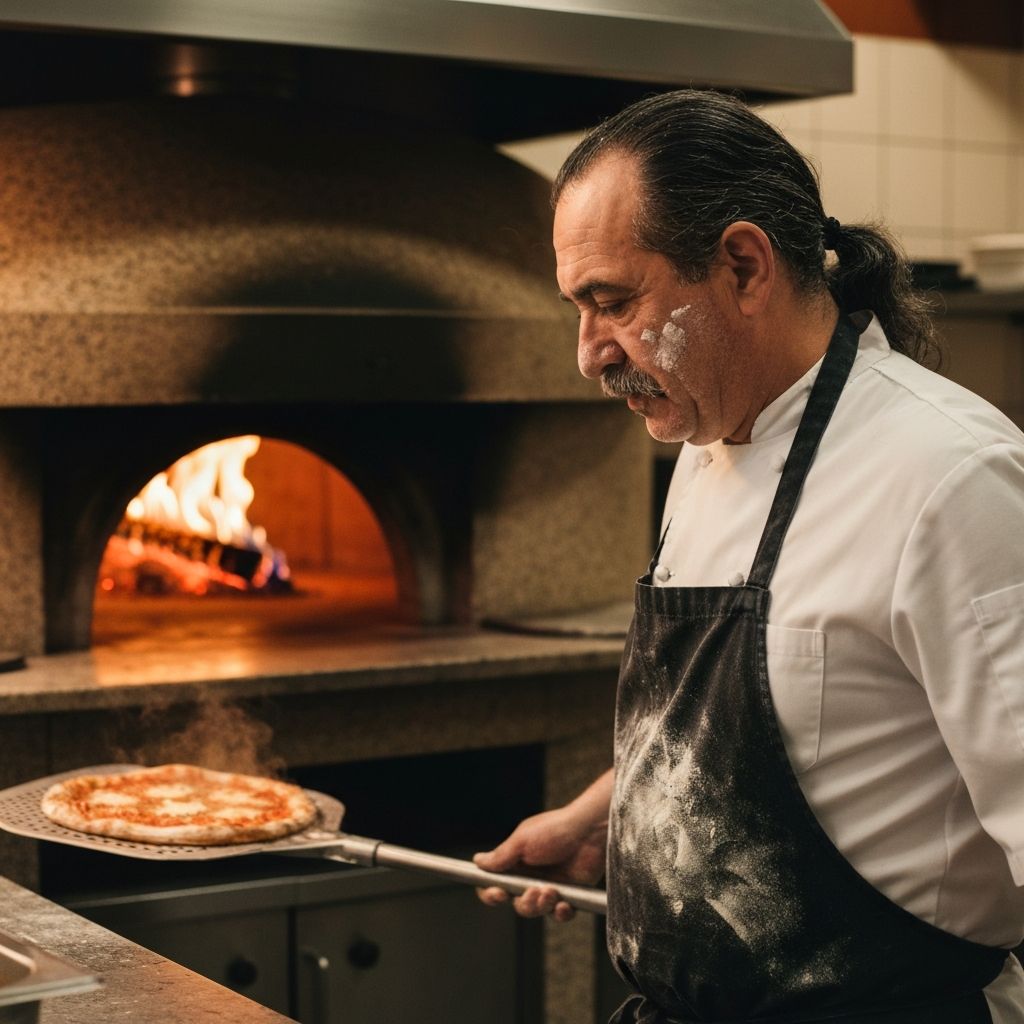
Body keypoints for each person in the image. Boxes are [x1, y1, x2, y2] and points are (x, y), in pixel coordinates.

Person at [473, 90, 1024, 1023]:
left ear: (743, 265)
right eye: (579, 308)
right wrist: (607, 814)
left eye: (613, 302)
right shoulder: (707, 441)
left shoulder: (952, 479)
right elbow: (798, 724)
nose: (588, 354)